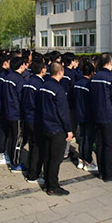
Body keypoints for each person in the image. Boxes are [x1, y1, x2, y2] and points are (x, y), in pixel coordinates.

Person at [36, 62, 73, 195]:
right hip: (57, 129)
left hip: (45, 126)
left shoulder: (43, 86)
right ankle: (53, 186)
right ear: (61, 72)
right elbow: (63, 112)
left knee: (47, 156)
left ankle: (47, 182)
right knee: (56, 159)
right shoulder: (59, 89)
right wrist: (69, 129)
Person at [90, 54, 112, 182]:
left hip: (97, 115)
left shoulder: (95, 77)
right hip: (109, 116)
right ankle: (109, 174)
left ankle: (101, 171)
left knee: (100, 144)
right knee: (109, 145)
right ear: (111, 62)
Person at [72, 61, 97, 172]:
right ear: (92, 72)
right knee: (88, 139)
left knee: (81, 137)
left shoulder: (76, 84)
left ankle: (81, 160)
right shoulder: (89, 85)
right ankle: (87, 160)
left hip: (79, 114)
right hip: (88, 115)